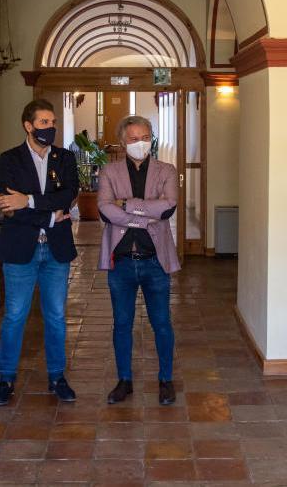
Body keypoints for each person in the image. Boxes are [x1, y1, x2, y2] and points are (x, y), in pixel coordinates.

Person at [0, 99, 79, 406]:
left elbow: (68, 195)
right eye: (43, 123)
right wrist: (51, 215)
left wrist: (28, 201)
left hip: (55, 251)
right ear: (28, 126)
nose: (50, 128)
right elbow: (7, 207)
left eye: (52, 122)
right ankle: (6, 378)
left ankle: (57, 377)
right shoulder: (10, 159)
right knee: (15, 316)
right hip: (20, 250)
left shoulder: (65, 158)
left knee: (56, 316)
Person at [97, 115, 179, 406]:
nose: (140, 143)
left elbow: (168, 208)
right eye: (133, 139)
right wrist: (147, 213)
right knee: (122, 324)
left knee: (162, 323)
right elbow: (105, 210)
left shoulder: (166, 170)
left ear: (152, 138)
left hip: (155, 260)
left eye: (145, 137)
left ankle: (166, 379)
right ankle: (124, 380)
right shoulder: (109, 171)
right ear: (123, 142)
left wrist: (127, 207)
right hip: (121, 262)